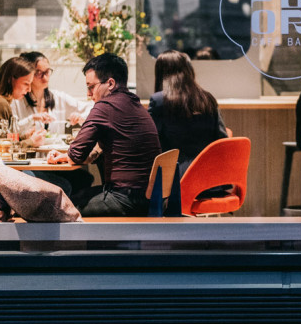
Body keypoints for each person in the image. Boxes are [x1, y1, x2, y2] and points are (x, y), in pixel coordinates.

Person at [68, 52, 162, 217]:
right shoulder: (135, 103)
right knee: (79, 194)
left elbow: (76, 154)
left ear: (110, 83)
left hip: (125, 199)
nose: (89, 94)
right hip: (149, 196)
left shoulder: (104, 106)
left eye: (91, 87)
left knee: (63, 206)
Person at [149, 50, 230, 177]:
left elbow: (148, 142)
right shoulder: (208, 98)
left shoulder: (159, 101)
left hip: (176, 183)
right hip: (212, 181)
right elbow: (223, 140)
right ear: (188, 71)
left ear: (160, 74)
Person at [12, 51, 92, 134]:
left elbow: (91, 108)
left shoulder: (57, 97)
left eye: (47, 72)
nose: (45, 78)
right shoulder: (17, 100)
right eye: (39, 73)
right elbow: (11, 130)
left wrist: (80, 117)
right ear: (29, 74)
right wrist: (31, 118)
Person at [0, 56, 38, 145]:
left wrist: (24, 137)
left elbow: (5, 140)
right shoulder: (0, 104)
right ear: (10, 80)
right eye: (26, 84)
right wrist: (31, 142)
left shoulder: (1, 102)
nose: (29, 90)